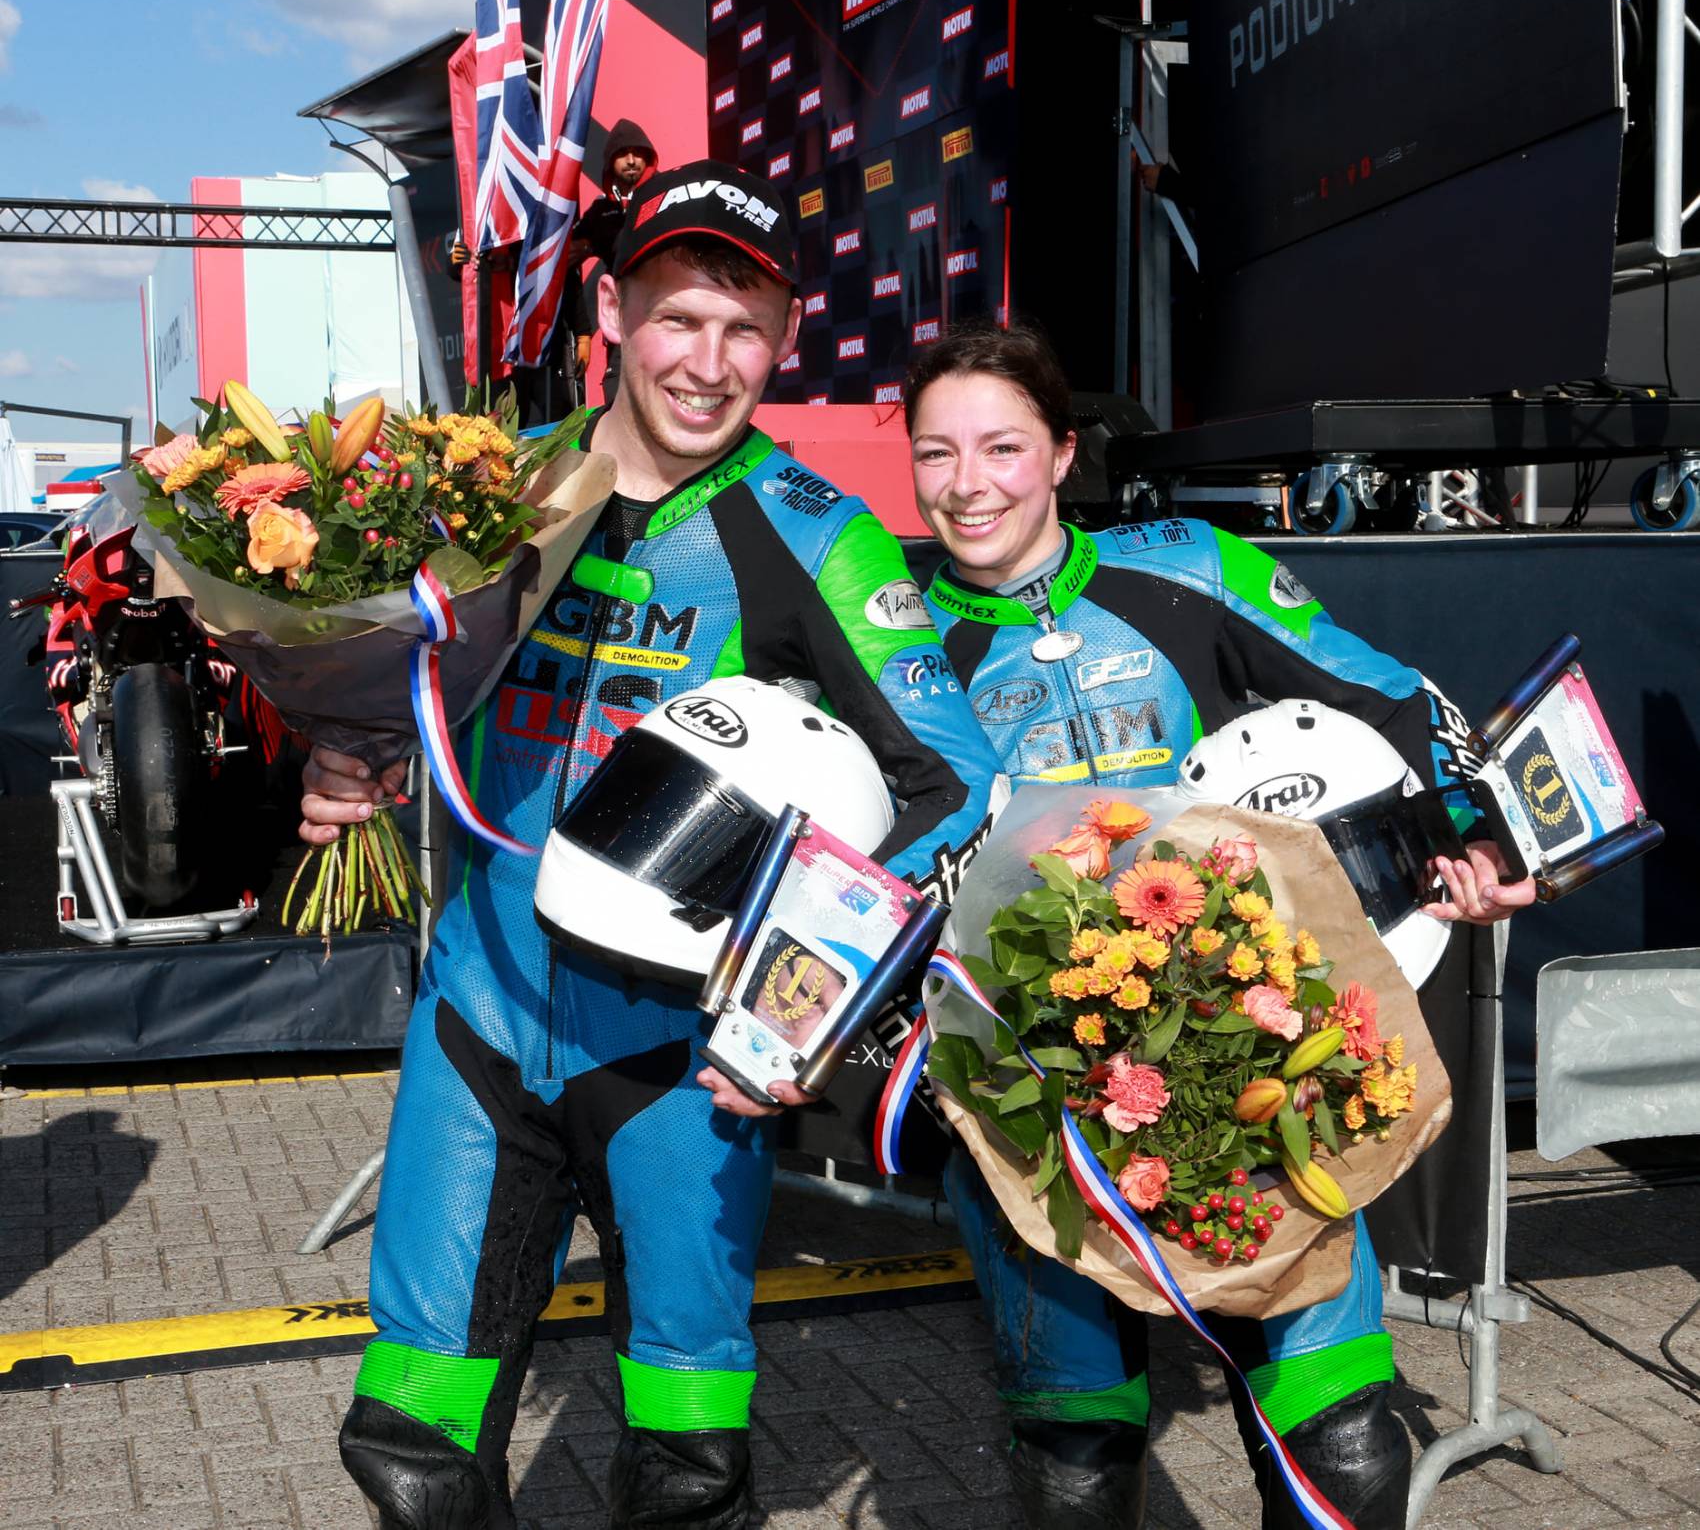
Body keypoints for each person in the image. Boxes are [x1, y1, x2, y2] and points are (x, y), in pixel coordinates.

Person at [301, 160, 1002, 1529]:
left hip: (681, 1056)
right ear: (613, 312)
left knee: (686, 1464)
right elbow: (405, 689)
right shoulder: (496, 489)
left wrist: (794, 1007)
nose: (707, 361)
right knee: (411, 1443)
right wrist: (348, 754)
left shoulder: (816, 535)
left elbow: (952, 783)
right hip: (480, 1013)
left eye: (744, 329)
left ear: (784, 339)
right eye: (678, 316)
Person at [899, 318, 1533, 1530]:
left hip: (1248, 1062)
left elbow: (1392, 700)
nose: (967, 483)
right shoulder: (884, 631)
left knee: (1343, 1437)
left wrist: (1486, 838)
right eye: (935, 452)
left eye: (1000, 446)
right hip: (1038, 1094)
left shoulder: (1187, 563)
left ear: (1062, 452)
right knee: (1077, 1458)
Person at [572, 120, 659, 405]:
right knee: (616, 395)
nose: (632, 160)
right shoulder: (601, 210)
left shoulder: (665, 195)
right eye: (623, 154)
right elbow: (564, 253)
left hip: (661, 317)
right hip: (622, 321)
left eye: (638, 153)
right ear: (611, 162)